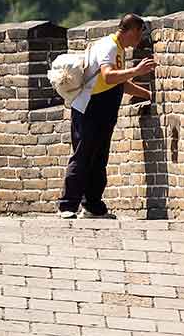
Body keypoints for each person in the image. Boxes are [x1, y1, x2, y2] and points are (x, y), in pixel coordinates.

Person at [58, 14, 154, 219]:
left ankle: (93, 205)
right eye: (139, 33)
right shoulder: (109, 47)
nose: (140, 39)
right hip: (90, 109)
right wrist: (136, 70)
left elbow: (120, 83)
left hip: (104, 111)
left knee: (99, 159)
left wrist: (147, 95)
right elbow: (108, 76)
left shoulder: (118, 50)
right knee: (83, 156)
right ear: (130, 30)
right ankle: (67, 206)